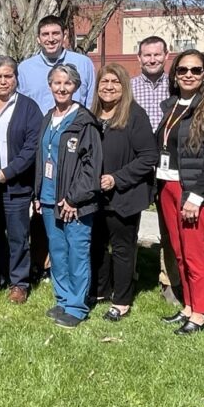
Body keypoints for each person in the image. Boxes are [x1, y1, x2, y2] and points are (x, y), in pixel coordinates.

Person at [155, 49, 204, 336]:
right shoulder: (172, 105)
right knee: (179, 252)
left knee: (195, 253)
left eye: (195, 70)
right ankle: (188, 306)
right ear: (174, 74)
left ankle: (200, 314)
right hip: (168, 186)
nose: (188, 75)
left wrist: (196, 196)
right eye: (183, 70)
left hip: (196, 191)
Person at [32, 64, 102, 328]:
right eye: (57, 83)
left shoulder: (85, 122)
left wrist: (74, 198)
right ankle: (62, 299)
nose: (62, 88)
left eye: (68, 84)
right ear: (50, 86)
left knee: (77, 253)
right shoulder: (48, 117)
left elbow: (91, 166)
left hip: (74, 203)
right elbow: (41, 158)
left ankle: (76, 305)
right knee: (57, 252)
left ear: (76, 87)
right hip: (49, 200)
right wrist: (37, 193)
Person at [88, 64, 156, 321]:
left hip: (124, 195)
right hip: (96, 196)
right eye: (104, 81)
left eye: (115, 82)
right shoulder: (92, 115)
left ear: (124, 86)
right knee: (97, 245)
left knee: (122, 248)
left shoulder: (135, 115)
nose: (108, 87)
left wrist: (117, 179)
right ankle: (101, 290)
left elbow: (149, 156)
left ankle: (122, 300)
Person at [0, 55, 43, 304]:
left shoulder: (29, 108)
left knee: (18, 236)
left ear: (16, 79)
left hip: (17, 185)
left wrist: (7, 172)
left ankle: (19, 282)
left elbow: (32, 147)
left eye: (9, 76)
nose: (3, 81)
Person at [129, 35, 181, 306]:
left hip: (167, 164)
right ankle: (130, 274)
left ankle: (169, 280)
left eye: (157, 55)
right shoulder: (129, 87)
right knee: (128, 225)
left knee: (169, 226)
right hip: (136, 164)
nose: (151, 60)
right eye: (146, 55)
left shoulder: (177, 86)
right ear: (138, 58)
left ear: (166, 56)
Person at [17, 15, 96, 112]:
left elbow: (92, 103)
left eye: (55, 33)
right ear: (38, 39)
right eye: (45, 34)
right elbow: (19, 106)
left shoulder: (84, 64)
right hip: (37, 126)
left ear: (64, 36)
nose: (50, 39)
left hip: (76, 125)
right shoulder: (24, 69)